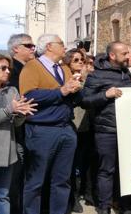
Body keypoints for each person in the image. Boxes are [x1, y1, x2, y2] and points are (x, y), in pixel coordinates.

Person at [19, 34, 83, 214]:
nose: (65, 46)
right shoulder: (32, 67)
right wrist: (61, 91)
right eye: (61, 43)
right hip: (42, 130)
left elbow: (73, 96)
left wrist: (77, 90)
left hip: (66, 128)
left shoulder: (64, 67)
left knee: (62, 180)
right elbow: (29, 95)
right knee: (35, 182)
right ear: (49, 46)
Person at [82, 42, 131, 214]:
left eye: (129, 53)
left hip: (128, 130)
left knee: (127, 169)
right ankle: (104, 206)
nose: (129, 56)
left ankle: (125, 205)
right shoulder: (97, 75)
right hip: (107, 131)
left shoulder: (130, 74)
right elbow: (84, 101)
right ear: (112, 56)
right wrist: (105, 95)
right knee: (106, 170)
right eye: (124, 53)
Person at [0, 53, 36, 214]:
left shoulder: (11, 91)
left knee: (3, 196)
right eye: (3, 68)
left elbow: (16, 124)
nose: (8, 72)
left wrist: (22, 114)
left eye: (8, 68)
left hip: (7, 152)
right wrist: (9, 110)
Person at [5, 33, 35, 213]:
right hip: (16, 130)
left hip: (31, 127)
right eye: (28, 45)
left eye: (33, 46)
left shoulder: (32, 68)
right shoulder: (10, 71)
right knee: (15, 176)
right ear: (16, 49)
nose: (33, 48)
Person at [62, 49, 92, 213]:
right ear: (68, 63)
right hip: (71, 125)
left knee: (85, 163)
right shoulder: (64, 80)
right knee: (70, 166)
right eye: (76, 60)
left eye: (82, 59)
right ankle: (72, 198)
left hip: (86, 126)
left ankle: (86, 193)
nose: (80, 62)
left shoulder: (88, 78)